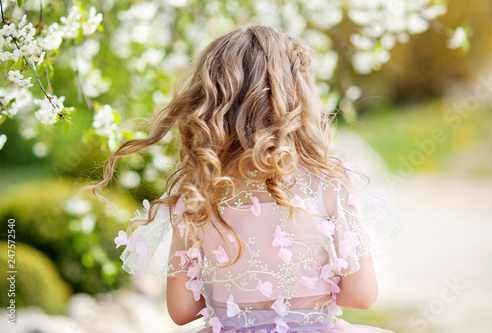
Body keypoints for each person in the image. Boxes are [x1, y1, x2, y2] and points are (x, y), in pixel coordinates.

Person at [84, 25, 399, 333]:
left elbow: (181, 311)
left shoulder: (198, 192)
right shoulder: (328, 182)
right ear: (297, 96)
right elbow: (361, 295)